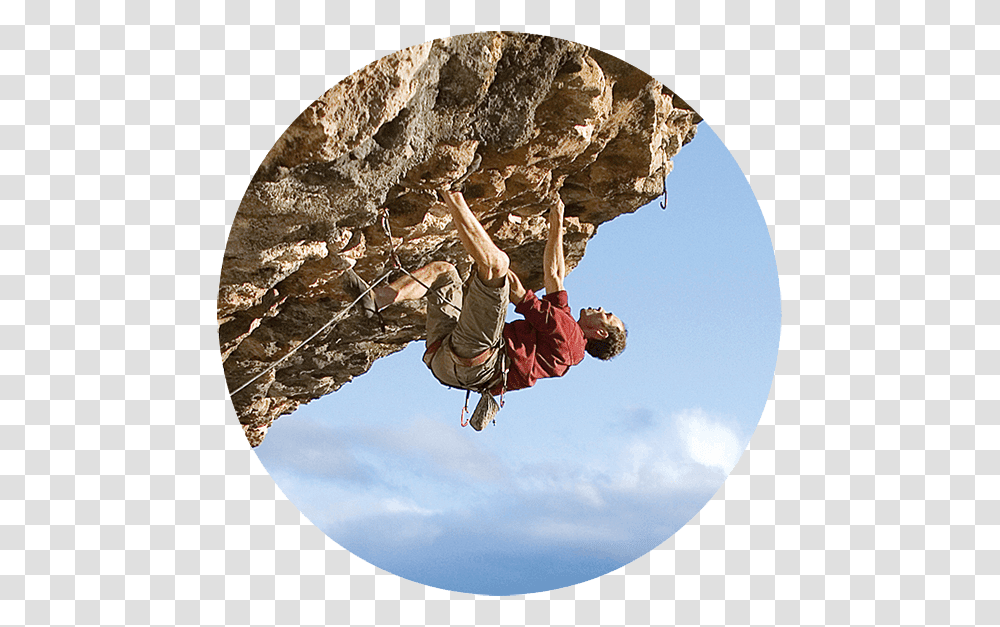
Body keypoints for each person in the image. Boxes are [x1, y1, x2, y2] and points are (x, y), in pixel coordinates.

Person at [344, 187, 627, 429]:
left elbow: (518, 294)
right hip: (449, 361)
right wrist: (557, 219)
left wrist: (501, 277)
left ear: (600, 333)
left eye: (608, 316)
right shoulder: (566, 330)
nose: (602, 308)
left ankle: (450, 190)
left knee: (496, 265)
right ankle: (376, 299)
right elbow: (554, 274)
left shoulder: (571, 340)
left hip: (478, 358)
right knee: (444, 272)